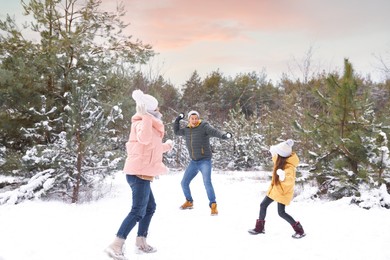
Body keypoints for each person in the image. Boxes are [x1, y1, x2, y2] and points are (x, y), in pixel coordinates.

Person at [105, 90, 174, 260]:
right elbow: (143, 139)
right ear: (149, 109)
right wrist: (146, 117)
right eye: (156, 108)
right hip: (138, 173)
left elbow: (150, 147)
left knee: (150, 208)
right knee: (137, 211)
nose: (159, 110)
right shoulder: (141, 123)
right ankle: (116, 244)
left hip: (142, 172)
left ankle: (140, 240)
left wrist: (166, 146)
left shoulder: (149, 123)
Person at [174, 110, 232, 216]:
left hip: (204, 161)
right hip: (194, 161)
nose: (195, 120)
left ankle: (213, 205)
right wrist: (178, 119)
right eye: (192, 118)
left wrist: (224, 135)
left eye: (196, 118)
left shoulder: (204, 127)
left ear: (198, 119)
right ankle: (189, 201)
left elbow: (215, 132)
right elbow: (176, 132)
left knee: (207, 182)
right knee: (184, 183)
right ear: (189, 119)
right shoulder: (187, 130)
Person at [248, 139, 306, 238]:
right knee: (263, 205)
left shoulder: (289, 167)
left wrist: (283, 176)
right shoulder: (280, 161)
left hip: (283, 192)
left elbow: (290, 180)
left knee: (281, 213)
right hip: (275, 190)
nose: (275, 156)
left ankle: (299, 230)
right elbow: (274, 153)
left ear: (281, 156)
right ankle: (260, 228)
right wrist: (273, 149)